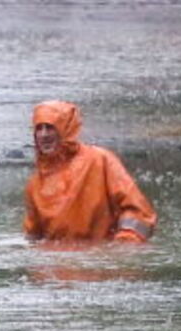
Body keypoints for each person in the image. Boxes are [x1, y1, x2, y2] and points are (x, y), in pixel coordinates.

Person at [23, 100, 157, 244]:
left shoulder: (100, 160)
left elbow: (139, 212)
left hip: (102, 260)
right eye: (39, 128)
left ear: (66, 129)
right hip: (57, 263)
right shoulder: (35, 184)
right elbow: (33, 238)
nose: (43, 135)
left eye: (50, 128)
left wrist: (123, 246)